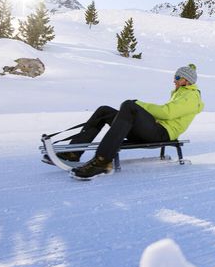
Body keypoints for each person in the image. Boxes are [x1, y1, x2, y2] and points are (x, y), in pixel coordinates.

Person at [58, 64, 204, 180]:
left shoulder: (191, 96)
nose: (174, 80)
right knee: (104, 111)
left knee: (130, 105)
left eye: (177, 77)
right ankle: (73, 153)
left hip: (162, 133)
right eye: (175, 77)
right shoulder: (181, 94)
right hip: (153, 130)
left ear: (187, 81)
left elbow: (167, 112)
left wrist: (140, 104)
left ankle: (102, 161)